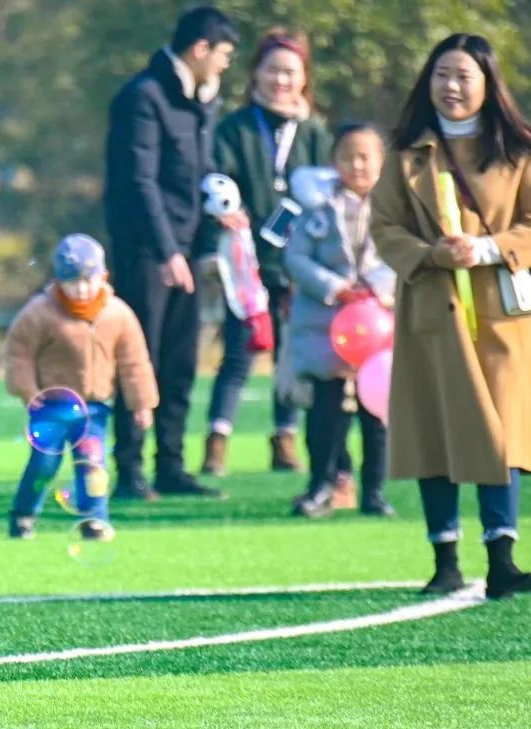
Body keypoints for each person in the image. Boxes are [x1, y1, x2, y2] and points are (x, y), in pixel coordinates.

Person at [371, 33, 531, 599]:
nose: (452, 86)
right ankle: (444, 559)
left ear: (489, 84)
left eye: (464, 75)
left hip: (500, 314)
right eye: (442, 74)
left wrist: (489, 249)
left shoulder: (519, 151)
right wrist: (431, 255)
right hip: (432, 311)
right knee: (432, 430)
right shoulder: (407, 152)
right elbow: (384, 227)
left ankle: (503, 559)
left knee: (501, 433)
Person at [104, 6, 238, 500]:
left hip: (186, 251)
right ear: (200, 49)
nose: (225, 66)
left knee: (181, 362)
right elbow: (139, 183)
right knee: (141, 361)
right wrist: (166, 252)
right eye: (223, 55)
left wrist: (218, 219)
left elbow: (196, 175)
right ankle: (130, 470)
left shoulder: (199, 101)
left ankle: (171, 467)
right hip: (148, 253)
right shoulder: (144, 96)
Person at [197, 27, 335, 479]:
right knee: (238, 353)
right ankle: (216, 443)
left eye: (290, 72)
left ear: (304, 78)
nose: (280, 80)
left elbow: (326, 194)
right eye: (272, 69)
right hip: (245, 264)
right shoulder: (234, 127)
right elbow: (219, 179)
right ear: (255, 73)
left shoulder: (314, 132)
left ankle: (285, 440)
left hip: (299, 265)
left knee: (291, 355)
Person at [5, 234, 159, 538]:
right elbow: (18, 355)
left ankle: (94, 519)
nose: (81, 289)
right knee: (44, 464)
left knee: (93, 466)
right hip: (49, 408)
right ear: (58, 280)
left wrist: (141, 402)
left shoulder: (118, 314)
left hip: (95, 408)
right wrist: (28, 392)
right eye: (72, 283)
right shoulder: (41, 313)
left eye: (88, 281)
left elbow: (134, 362)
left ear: (103, 276)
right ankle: (24, 513)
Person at [284, 123, 396, 518]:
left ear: (382, 162)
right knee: (325, 412)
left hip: (379, 326)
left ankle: (375, 492)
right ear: (334, 162)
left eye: (366, 156)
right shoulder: (316, 209)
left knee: (376, 413)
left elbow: (405, 257)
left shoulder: (396, 209)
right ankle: (321, 486)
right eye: (348, 155)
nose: (357, 164)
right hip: (324, 325)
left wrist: (375, 288)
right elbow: (295, 257)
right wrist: (336, 286)